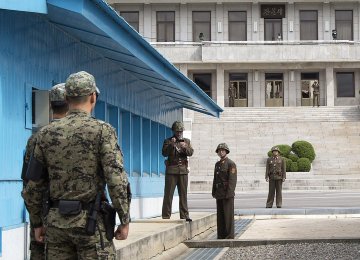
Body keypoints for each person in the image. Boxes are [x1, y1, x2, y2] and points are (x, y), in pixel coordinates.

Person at [22, 71, 131, 259]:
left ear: (66, 97)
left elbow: (33, 184)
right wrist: (124, 218)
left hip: (56, 226)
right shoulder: (103, 131)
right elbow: (116, 180)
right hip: (90, 224)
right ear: (93, 97)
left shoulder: (45, 134)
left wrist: (37, 222)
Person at [21, 83, 68, 260]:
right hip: (79, 222)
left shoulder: (36, 139)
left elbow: (29, 186)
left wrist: (36, 222)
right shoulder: (90, 133)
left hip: (44, 217)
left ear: (50, 105)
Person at [162, 121, 194, 221]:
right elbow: (164, 153)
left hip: (183, 171)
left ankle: (184, 215)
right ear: (173, 131)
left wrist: (185, 147)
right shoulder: (168, 141)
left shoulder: (187, 141)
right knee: (168, 194)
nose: (179, 133)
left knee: (183, 194)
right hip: (171, 171)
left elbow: (191, 153)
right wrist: (172, 145)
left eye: (180, 131)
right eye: (177, 131)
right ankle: (166, 215)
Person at [212, 143, 237, 239]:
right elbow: (215, 179)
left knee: (228, 216)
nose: (221, 152)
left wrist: (229, 193)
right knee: (220, 215)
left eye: (223, 150)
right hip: (219, 193)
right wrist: (214, 191)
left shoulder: (231, 163)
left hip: (227, 193)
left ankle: (229, 235)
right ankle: (221, 234)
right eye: (219, 150)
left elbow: (232, 180)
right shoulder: (217, 164)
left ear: (226, 151)